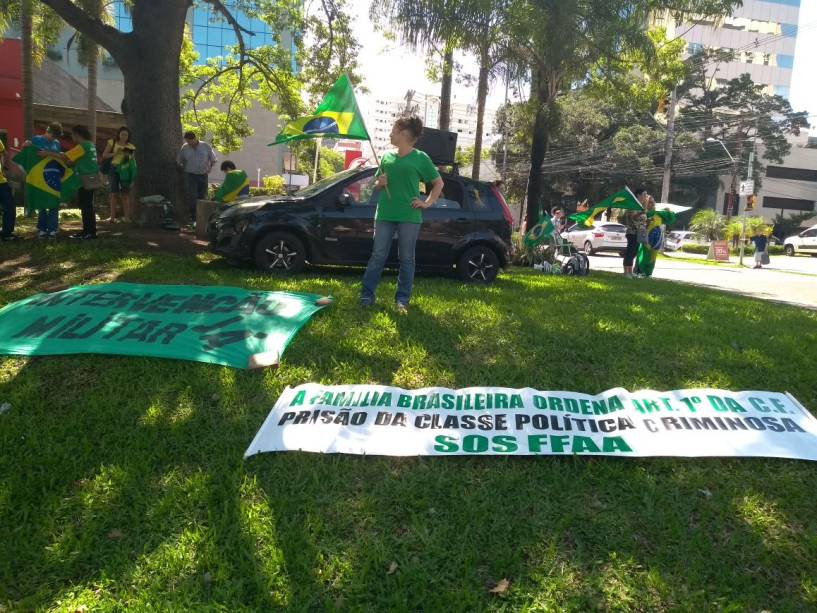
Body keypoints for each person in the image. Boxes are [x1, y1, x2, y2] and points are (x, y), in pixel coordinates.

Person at [360, 116, 444, 313]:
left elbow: (438, 183)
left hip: (409, 215)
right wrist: (380, 183)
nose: (390, 134)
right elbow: (377, 187)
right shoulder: (386, 157)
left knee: (406, 258)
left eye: (393, 131)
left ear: (404, 134)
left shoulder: (421, 158)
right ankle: (366, 294)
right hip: (384, 214)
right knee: (378, 255)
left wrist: (426, 203)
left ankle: (402, 300)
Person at [39, 124, 100, 239]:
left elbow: (65, 156)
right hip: (91, 179)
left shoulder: (83, 146)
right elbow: (76, 160)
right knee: (87, 206)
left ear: (77, 135)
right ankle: (88, 231)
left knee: (86, 206)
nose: (72, 137)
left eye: (72, 135)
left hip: (85, 180)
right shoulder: (90, 145)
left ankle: (89, 233)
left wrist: (47, 153)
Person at [26, 122, 64, 238]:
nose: (54, 139)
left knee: (53, 203)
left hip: (54, 175)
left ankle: (52, 229)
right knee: (41, 202)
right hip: (39, 176)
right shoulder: (36, 140)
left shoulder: (56, 143)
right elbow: (28, 153)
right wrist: (25, 146)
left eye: (56, 137)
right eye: (53, 136)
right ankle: (42, 228)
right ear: (48, 131)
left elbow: (60, 157)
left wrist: (49, 153)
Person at [176, 130, 217, 222]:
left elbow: (213, 159)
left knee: (202, 196)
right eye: (187, 141)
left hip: (203, 175)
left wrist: (210, 167)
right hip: (190, 175)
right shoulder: (185, 147)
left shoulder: (205, 146)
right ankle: (193, 216)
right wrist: (181, 166)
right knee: (192, 196)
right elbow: (179, 160)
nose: (189, 143)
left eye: (190, 141)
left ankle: (202, 217)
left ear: (195, 138)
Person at [101, 126, 135, 222]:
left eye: (126, 135)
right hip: (113, 168)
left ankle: (127, 217)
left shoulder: (131, 146)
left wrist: (131, 176)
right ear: (119, 134)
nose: (124, 136)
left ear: (128, 136)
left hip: (125, 171)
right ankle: (112, 217)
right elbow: (104, 155)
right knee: (114, 193)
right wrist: (115, 153)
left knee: (125, 193)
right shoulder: (112, 142)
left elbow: (132, 162)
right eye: (122, 134)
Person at [621, 187, 649, 278]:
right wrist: (642, 212)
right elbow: (634, 217)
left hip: (639, 232)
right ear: (638, 195)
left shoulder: (641, 206)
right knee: (630, 251)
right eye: (644, 194)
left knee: (634, 252)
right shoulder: (633, 205)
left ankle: (630, 271)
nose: (646, 196)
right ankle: (626, 273)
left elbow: (642, 219)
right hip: (632, 232)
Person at [0, 138, 21, 242]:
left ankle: (7, 233)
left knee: (10, 206)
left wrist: (3, 167)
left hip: (1, 181)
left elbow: (3, 153)